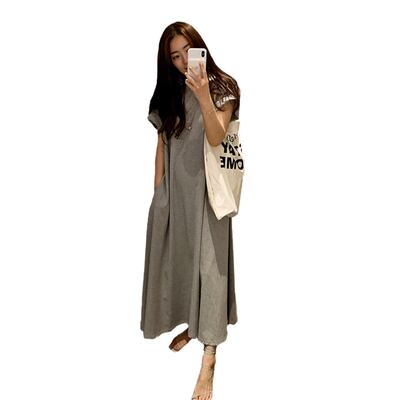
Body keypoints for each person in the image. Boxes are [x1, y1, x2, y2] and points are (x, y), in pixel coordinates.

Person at [140, 21, 240, 400]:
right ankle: (192, 325)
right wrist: (158, 196)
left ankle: (209, 357)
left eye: (188, 51)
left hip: (209, 194)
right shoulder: (166, 94)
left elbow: (216, 136)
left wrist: (201, 94)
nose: (184, 61)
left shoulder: (224, 87)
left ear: (201, 47)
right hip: (175, 193)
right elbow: (162, 145)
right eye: (175, 56)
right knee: (180, 262)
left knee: (211, 271)